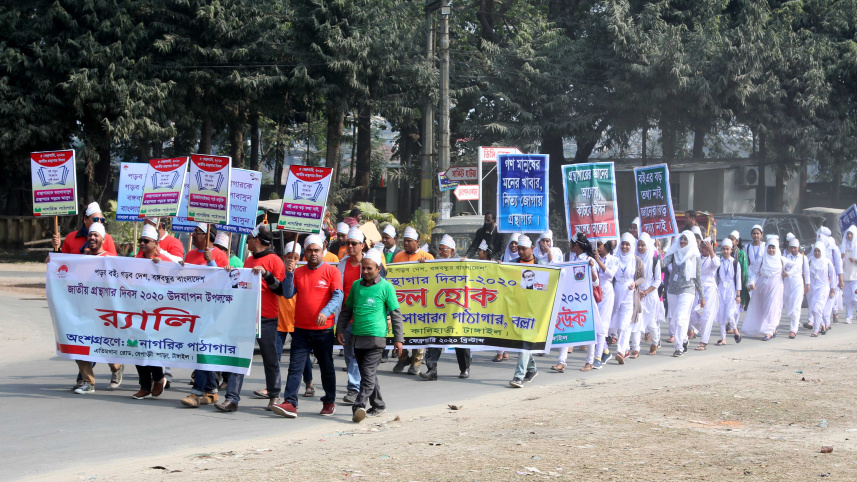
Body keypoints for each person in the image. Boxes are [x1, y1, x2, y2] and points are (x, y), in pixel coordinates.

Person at [215, 223, 286, 412]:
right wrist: (231, 274)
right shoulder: (248, 261)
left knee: (270, 358)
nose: (247, 244)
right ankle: (232, 399)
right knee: (238, 356)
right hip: (245, 316)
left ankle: (274, 395)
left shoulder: (275, 260)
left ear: (256, 240)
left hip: (266, 317)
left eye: (249, 240)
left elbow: (281, 290)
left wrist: (267, 274)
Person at [271, 234, 343, 418]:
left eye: (316, 250)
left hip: (323, 330)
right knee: (295, 367)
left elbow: (338, 296)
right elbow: (287, 294)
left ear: (322, 251)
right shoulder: (299, 272)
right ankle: (290, 403)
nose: (313, 254)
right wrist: (288, 273)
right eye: (309, 250)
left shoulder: (332, 271)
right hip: (301, 329)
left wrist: (325, 312)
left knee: (326, 367)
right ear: (304, 252)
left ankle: (329, 401)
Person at [337, 250, 404, 422]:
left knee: (366, 374)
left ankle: (358, 406)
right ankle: (379, 405)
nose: (365, 272)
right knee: (369, 374)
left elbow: (396, 314)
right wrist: (340, 329)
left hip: (376, 338)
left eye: (369, 269)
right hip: (357, 337)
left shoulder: (386, 287)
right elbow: (347, 310)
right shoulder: (356, 285)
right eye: (363, 268)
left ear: (378, 268)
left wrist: (398, 339)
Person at [57, 222, 124, 393]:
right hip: (84, 311)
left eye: (96, 235)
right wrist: (53, 260)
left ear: (103, 239)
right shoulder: (81, 260)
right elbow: (69, 280)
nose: (92, 238)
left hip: (105, 313)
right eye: (90, 235)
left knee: (105, 344)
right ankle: (88, 382)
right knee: (78, 342)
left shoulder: (111, 260)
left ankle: (116, 366)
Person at [179, 224, 229, 408]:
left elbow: (224, 283)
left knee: (203, 346)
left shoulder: (220, 255)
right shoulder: (191, 255)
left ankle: (197, 391)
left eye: (197, 232)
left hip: (212, 310)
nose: (193, 234)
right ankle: (211, 390)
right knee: (200, 348)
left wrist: (211, 262)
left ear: (208, 235)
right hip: (192, 309)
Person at [421, 235, 472, 380]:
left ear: (452, 250)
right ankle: (432, 370)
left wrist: (465, 264)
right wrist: (422, 265)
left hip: (456, 308)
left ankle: (465, 368)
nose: (441, 252)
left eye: (444, 250)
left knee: (460, 339)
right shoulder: (436, 263)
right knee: (434, 338)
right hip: (439, 308)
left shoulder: (461, 262)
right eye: (440, 250)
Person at [132, 224, 171, 400]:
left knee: (152, 348)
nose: (142, 243)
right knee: (136, 349)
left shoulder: (164, 260)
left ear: (155, 243)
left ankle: (158, 378)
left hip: (157, 314)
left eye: (146, 241)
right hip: (137, 312)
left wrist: (161, 267)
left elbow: (180, 275)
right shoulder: (134, 260)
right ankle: (144, 386)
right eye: (140, 240)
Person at [551, 232, 599, 372]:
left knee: (590, 330)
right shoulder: (570, 257)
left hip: (585, 300)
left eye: (571, 243)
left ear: (576, 245)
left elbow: (596, 283)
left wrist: (590, 268)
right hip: (570, 300)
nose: (569, 245)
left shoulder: (589, 260)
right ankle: (561, 361)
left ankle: (589, 362)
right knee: (565, 327)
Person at [336, 227, 369, 404]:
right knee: (349, 355)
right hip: (346, 318)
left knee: (360, 355)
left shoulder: (370, 265)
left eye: (354, 243)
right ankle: (356, 385)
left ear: (362, 245)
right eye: (348, 243)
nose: (350, 246)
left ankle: (358, 387)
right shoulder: (341, 265)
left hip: (365, 319)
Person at [741, 237, 795, 340]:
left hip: (776, 287)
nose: (771, 250)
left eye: (773, 248)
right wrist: (752, 282)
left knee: (773, 307)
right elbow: (754, 272)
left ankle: (769, 331)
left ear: (776, 248)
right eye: (769, 248)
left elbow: (795, 266)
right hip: (762, 287)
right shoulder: (761, 259)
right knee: (762, 308)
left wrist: (788, 274)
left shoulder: (781, 259)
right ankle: (770, 328)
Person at [662, 231, 705, 357]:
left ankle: (679, 347)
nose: (682, 242)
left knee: (681, 318)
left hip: (688, 290)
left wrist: (702, 296)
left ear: (690, 241)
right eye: (681, 239)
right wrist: (659, 251)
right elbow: (663, 264)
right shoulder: (674, 253)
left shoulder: (695, 255)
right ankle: (684, 339)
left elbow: (697, 277)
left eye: (685, 240)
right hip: (673, 290)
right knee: (675, 320)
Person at [509, 236, 541, 388]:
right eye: (519, 249)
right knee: (520, 341)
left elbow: (556, 277)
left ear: (532, 249)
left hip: (534, 310)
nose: (520, 251)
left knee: (525, 341)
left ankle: (518, 376)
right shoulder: (513, 264)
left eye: (523, 249)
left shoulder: (542, 265)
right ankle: (532, 368)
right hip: (517, 307)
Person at [610, 233, 644, 364]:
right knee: (618, 325)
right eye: (623, 244)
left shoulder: (637, 261)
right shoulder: (614, 258)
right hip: (616, 293)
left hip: (630, 295)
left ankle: (620, 351)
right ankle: (626, 350)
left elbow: (642, 277)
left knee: (625, 323)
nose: (625, 246)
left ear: (632, 245)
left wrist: (636, 283)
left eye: (627, 244)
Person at [687, 237, 720, 351]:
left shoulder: (714, 258)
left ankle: (703, 341)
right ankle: (701, 330)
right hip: (698, 289)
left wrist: (711, 251)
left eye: (705, 247)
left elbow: (716, 264)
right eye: (701, 247)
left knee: (706, 315)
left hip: (709, 289)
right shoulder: (698, 258)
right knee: (692, 313)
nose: (702, 249)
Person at [52, 201, 118, 256]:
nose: (99, 222)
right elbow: (62, 262)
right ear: (85, 219)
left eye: (102, 220)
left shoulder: (107, 238)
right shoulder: (71, 237)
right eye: (95, 219)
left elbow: (114, 264)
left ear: (103, 240)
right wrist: (56, 249)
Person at [635, 233, 662, 356]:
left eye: (643, 245)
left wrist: (645, 292)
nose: (640, 248)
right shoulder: (634, 259)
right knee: (636, 320)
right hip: (637, 294)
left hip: (650, 294)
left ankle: (655, 343)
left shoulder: (654, 260)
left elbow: (657, 280)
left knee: (651, 323)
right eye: (639, 245)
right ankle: (635, 348)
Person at [715, 238, 743, 345]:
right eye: (723, 249)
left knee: (729, 314)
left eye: (727, 249)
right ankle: (723, 338)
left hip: (731, 290)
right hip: (721, 290)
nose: (725, 251)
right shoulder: (719, 262)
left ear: (731, 250)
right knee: (721, 315)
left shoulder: (735, 263)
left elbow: (738, 279)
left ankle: (735, 330)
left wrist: (738, 295)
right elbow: (716, 279)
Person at [808, 242, 837, 336]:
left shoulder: (827, 262)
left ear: (822, 252)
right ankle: (823, 325)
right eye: (815, 251)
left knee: (817, 309)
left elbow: (833, 276)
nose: (817, 253)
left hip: (824, 288)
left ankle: (816, 330)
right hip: (813, 288)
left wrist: (833, 289)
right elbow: (807, 274)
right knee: (813, 309)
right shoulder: (811, 261)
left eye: (818, 251)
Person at [783, 237, 810, 338]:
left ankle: (793, 330)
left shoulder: (803, 258)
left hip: (798, 283)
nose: (793, 250)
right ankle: (794, 321)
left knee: (796, 307)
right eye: (791, 247)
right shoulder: (786, 257)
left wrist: (807, 284)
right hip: (787, 283)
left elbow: (806, 272)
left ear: (798, 247)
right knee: (789, 307)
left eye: (795, 247)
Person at [728, 230, 751, 310]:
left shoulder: (741, 253)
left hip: (738, 280)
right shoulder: (726, 252)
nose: (730, 241)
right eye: (729, 239)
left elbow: (744, 270)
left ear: (737, 241)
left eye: (732, 239)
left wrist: (745, 283)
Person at [841, 225, 857, 323]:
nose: (849, 236)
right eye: (848, 234)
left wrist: (855, 260)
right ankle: (849, 316)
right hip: (846, 276)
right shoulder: (843, 247)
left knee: (855, 296)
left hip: (855, 276)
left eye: (851, 234)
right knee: (847, 297)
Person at [745, 225, 765, 297]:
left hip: (761, 275)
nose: (756, 235)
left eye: (758, 233)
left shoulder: (765, 246)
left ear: (761, 235)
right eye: (754, 233)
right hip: (750, 274)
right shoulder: (747, 247)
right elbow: (746, 262)